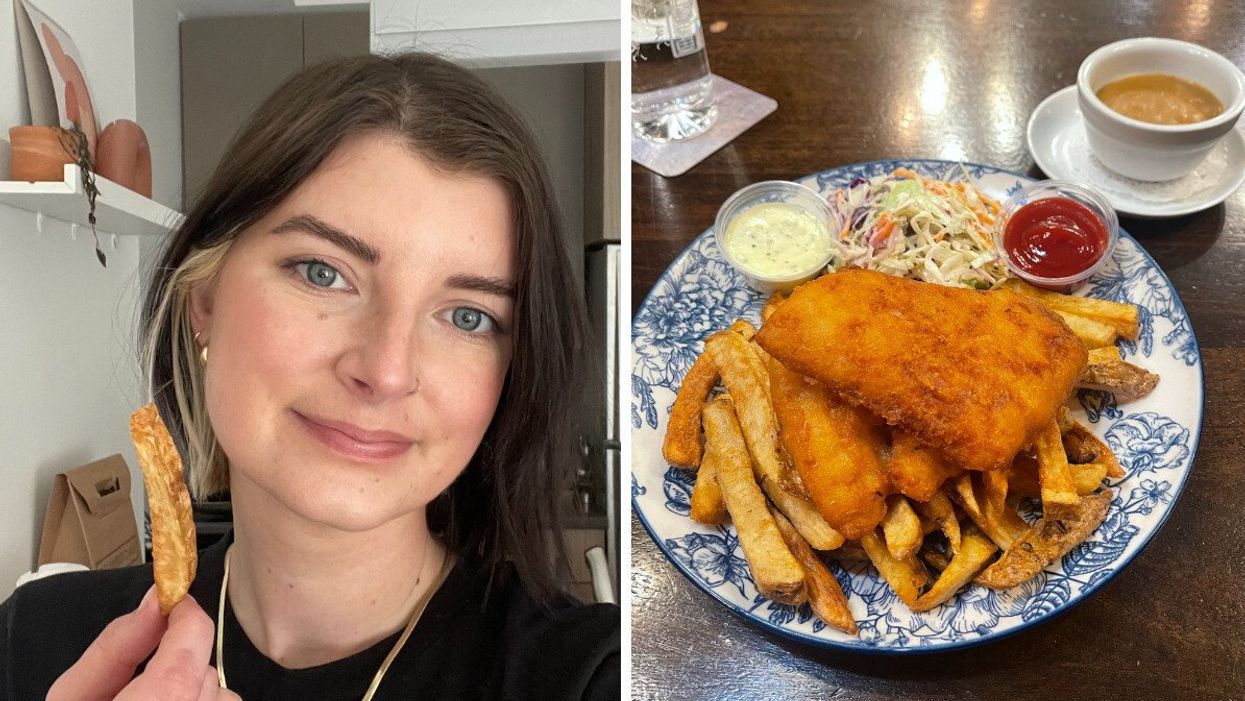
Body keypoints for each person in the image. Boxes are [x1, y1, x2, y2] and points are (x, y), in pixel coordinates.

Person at [0, 52, 619, 701]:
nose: (385, 370)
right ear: (205, 299)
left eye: (467, 315)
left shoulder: (593, 675)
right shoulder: (37, 640)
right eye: (323, 272)